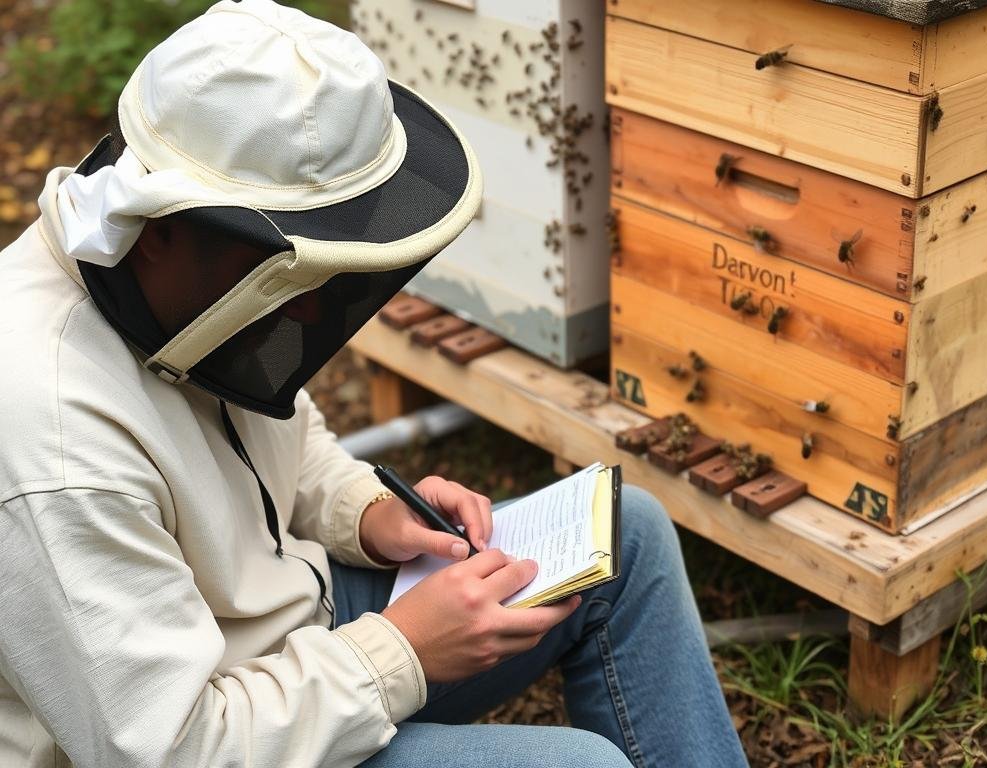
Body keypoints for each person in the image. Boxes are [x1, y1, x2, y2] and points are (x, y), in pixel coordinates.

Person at [0, 2, 748, 766]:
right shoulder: (51, 442)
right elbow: (173, 747)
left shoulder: (168, 288)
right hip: (223, 732)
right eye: (294, 267)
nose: (317, 305)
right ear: (163, 228)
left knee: (628, 535)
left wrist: (370, 512)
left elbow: (284, 435)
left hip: (293, 637)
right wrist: (403, 652)